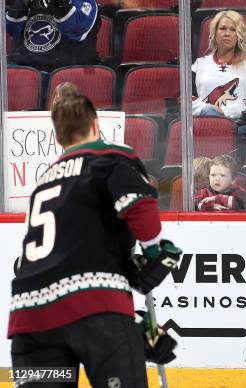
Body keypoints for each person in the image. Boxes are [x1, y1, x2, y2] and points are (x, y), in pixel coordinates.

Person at [8, 89, 181, 387]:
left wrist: (131, 325)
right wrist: (154, 251)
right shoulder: (111, 158)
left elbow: (45, 256)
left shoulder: (45, 181)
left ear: (59, 137)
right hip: (96, 309)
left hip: (28, 320)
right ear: (95, 125)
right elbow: (139, 206)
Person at [191, 10, 246, 166]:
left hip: (237, 126)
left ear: (239, 35)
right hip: (200, 123)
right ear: (214, 32)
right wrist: (207, 110)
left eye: (233, 30)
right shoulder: (199, 64)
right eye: (223, 28)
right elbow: (184, 98)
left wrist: (224, 112)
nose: (227, 33)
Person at [6, 0, 100, 72]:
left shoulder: (86, 3)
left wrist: (56, 3)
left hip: (61, 72)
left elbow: (75, 29)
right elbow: (13, 32)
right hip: (24, 66)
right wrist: (20, 4)